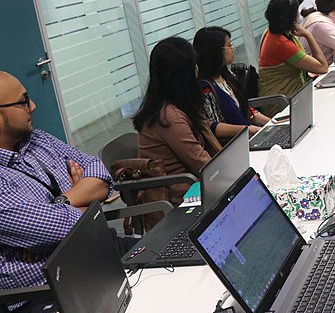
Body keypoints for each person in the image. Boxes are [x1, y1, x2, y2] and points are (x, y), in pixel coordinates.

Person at [0, 71, 114, 300]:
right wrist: (86, 199)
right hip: (49, 289)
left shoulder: (37, 139)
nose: (32, 106)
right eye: (23, 102)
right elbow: (66, 227)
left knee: (180, 261)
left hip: (99, 252)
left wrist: (61, 202)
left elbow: (100, 173)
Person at [133, 37, 222, 212]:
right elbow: (202, 163)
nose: (197, 70)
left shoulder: (175, 105)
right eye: (193, 66)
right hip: (183, 199)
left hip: (193, 185)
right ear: (183, 75)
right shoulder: (169, 117)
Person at [193, 27, 271, 141]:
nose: (233, 48)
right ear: (215, 51)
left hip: (249, 134)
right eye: (229, 45)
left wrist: (271, 122)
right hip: (235, 142)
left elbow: (244, 109)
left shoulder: (227, 75)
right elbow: (213, 127)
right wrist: (247, 129)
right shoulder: (205, 88)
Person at [258, 0, 329, 117]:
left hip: (288, 94)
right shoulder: (280, 43)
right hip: (282, 102)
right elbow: (322, 67)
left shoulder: (270, 32)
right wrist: (308, 35)